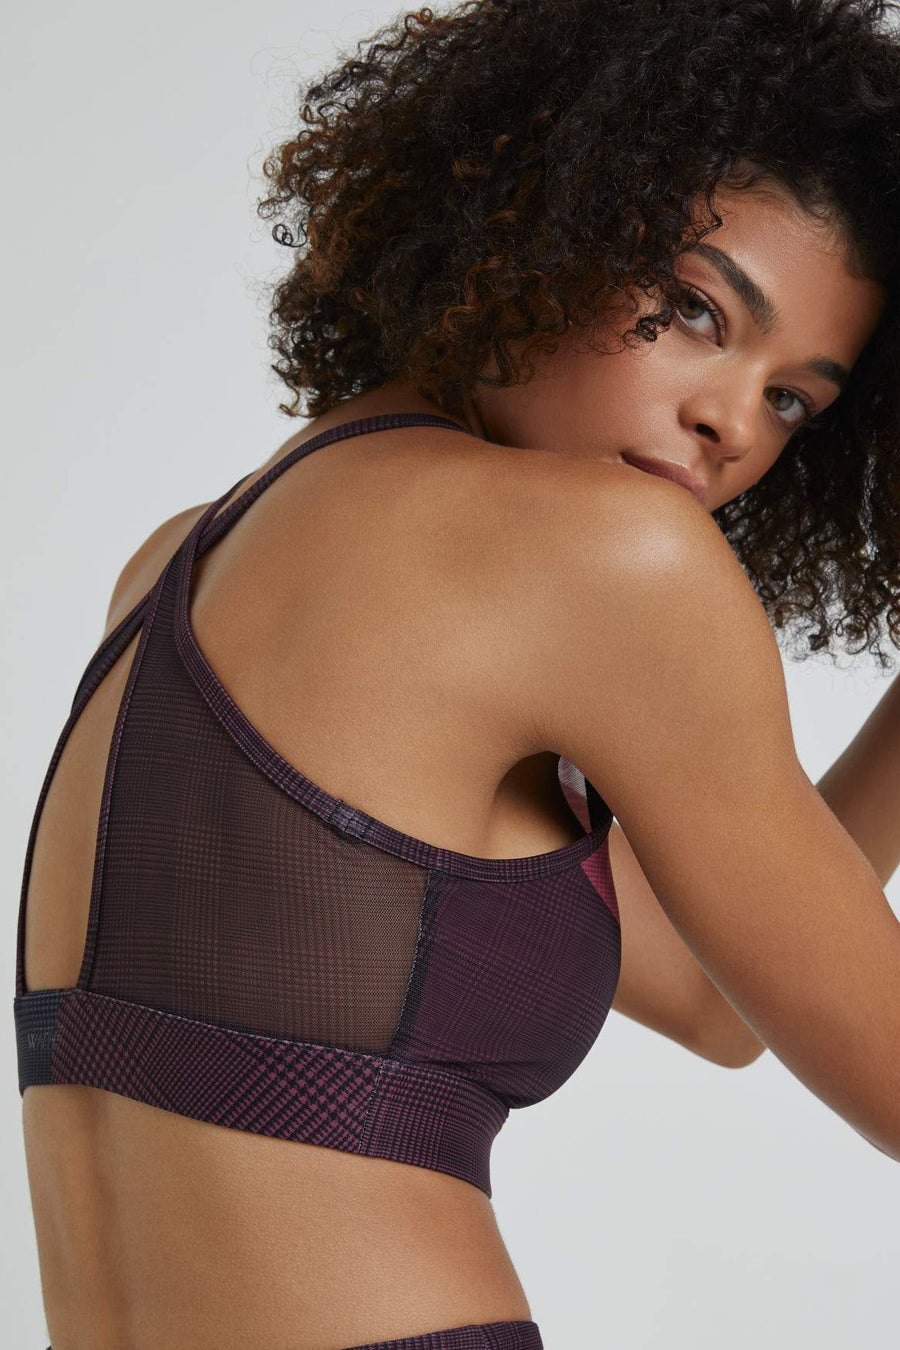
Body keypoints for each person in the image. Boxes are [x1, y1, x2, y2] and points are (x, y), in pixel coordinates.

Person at [14, 1, 900, 1347]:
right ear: (549, 218)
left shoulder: (179, 563)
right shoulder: (608, 558)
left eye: (793, 400)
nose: (729, 418)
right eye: (692, 310)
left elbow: (717, 995)